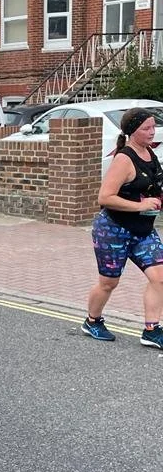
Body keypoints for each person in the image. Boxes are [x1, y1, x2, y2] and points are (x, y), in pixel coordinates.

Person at [82, 109, 163, 347]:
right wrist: (140, 205)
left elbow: (152, 187)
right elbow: (105, 197)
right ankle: (92, 321)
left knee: (159, 277)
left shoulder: (149, 153)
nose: (152, 132)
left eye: (153, 127)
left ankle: (151, 330)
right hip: (113, 230)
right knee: (109, 283)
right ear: (131, 131)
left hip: (143, 231)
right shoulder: (123, 159)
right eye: (146, 128)